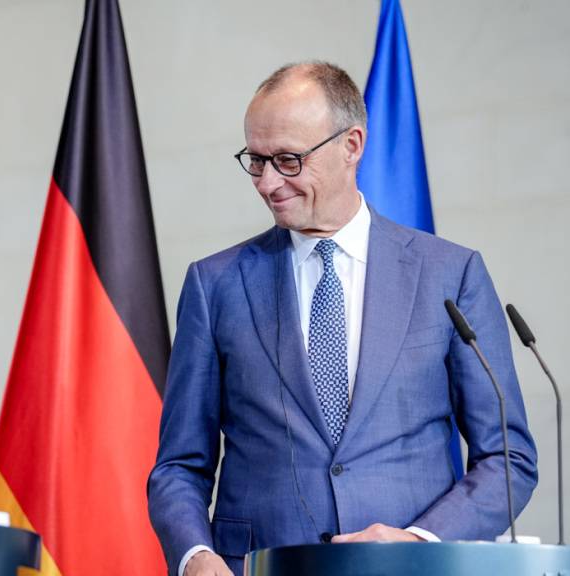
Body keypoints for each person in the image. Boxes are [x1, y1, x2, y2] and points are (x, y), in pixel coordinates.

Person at [147, 62, 537, 576]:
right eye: (255, 161)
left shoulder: (450, 273)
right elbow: (179, 465)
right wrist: (196, 555)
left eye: (288, 160)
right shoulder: (214, 284)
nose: (267, 183)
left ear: (352, 145)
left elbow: (507, 460)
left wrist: (419, 540)